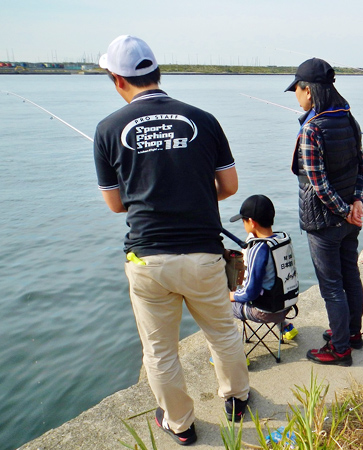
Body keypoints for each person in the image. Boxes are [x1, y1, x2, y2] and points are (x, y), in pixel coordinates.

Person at [93, 35, 250, 445]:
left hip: (147, 260)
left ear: (116, 79)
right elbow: (229, 185)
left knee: (160, 352)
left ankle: (180, 425)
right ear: (157, 72)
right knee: (222, 332)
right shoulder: (203, 118)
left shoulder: (108, 129)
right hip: (203, 255)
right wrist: (194, 192)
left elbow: (115, 204)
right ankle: (236, 398)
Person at [285, 58, 363, 366]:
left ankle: (339, 349)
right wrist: (357, 203)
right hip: (350, 219)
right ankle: (352, 334)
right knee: (351, 275)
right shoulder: (349, 120)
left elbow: (318, 185)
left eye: (296, 88)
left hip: (324, 223)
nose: (296, 94)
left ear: (308, 91)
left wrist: (346, 209)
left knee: (331, 286)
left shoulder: (312, 129)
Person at [228, 195, 299, 340]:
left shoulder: (258, 249)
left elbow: (250, 293)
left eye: (244, 221)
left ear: (252, 222)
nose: (243, 225)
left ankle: (230, 354)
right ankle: (285, 326)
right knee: (271, 285)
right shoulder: (281, 240)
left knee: (217, 303)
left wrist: (230, 296)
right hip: (286, 306)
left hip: (265, 312)